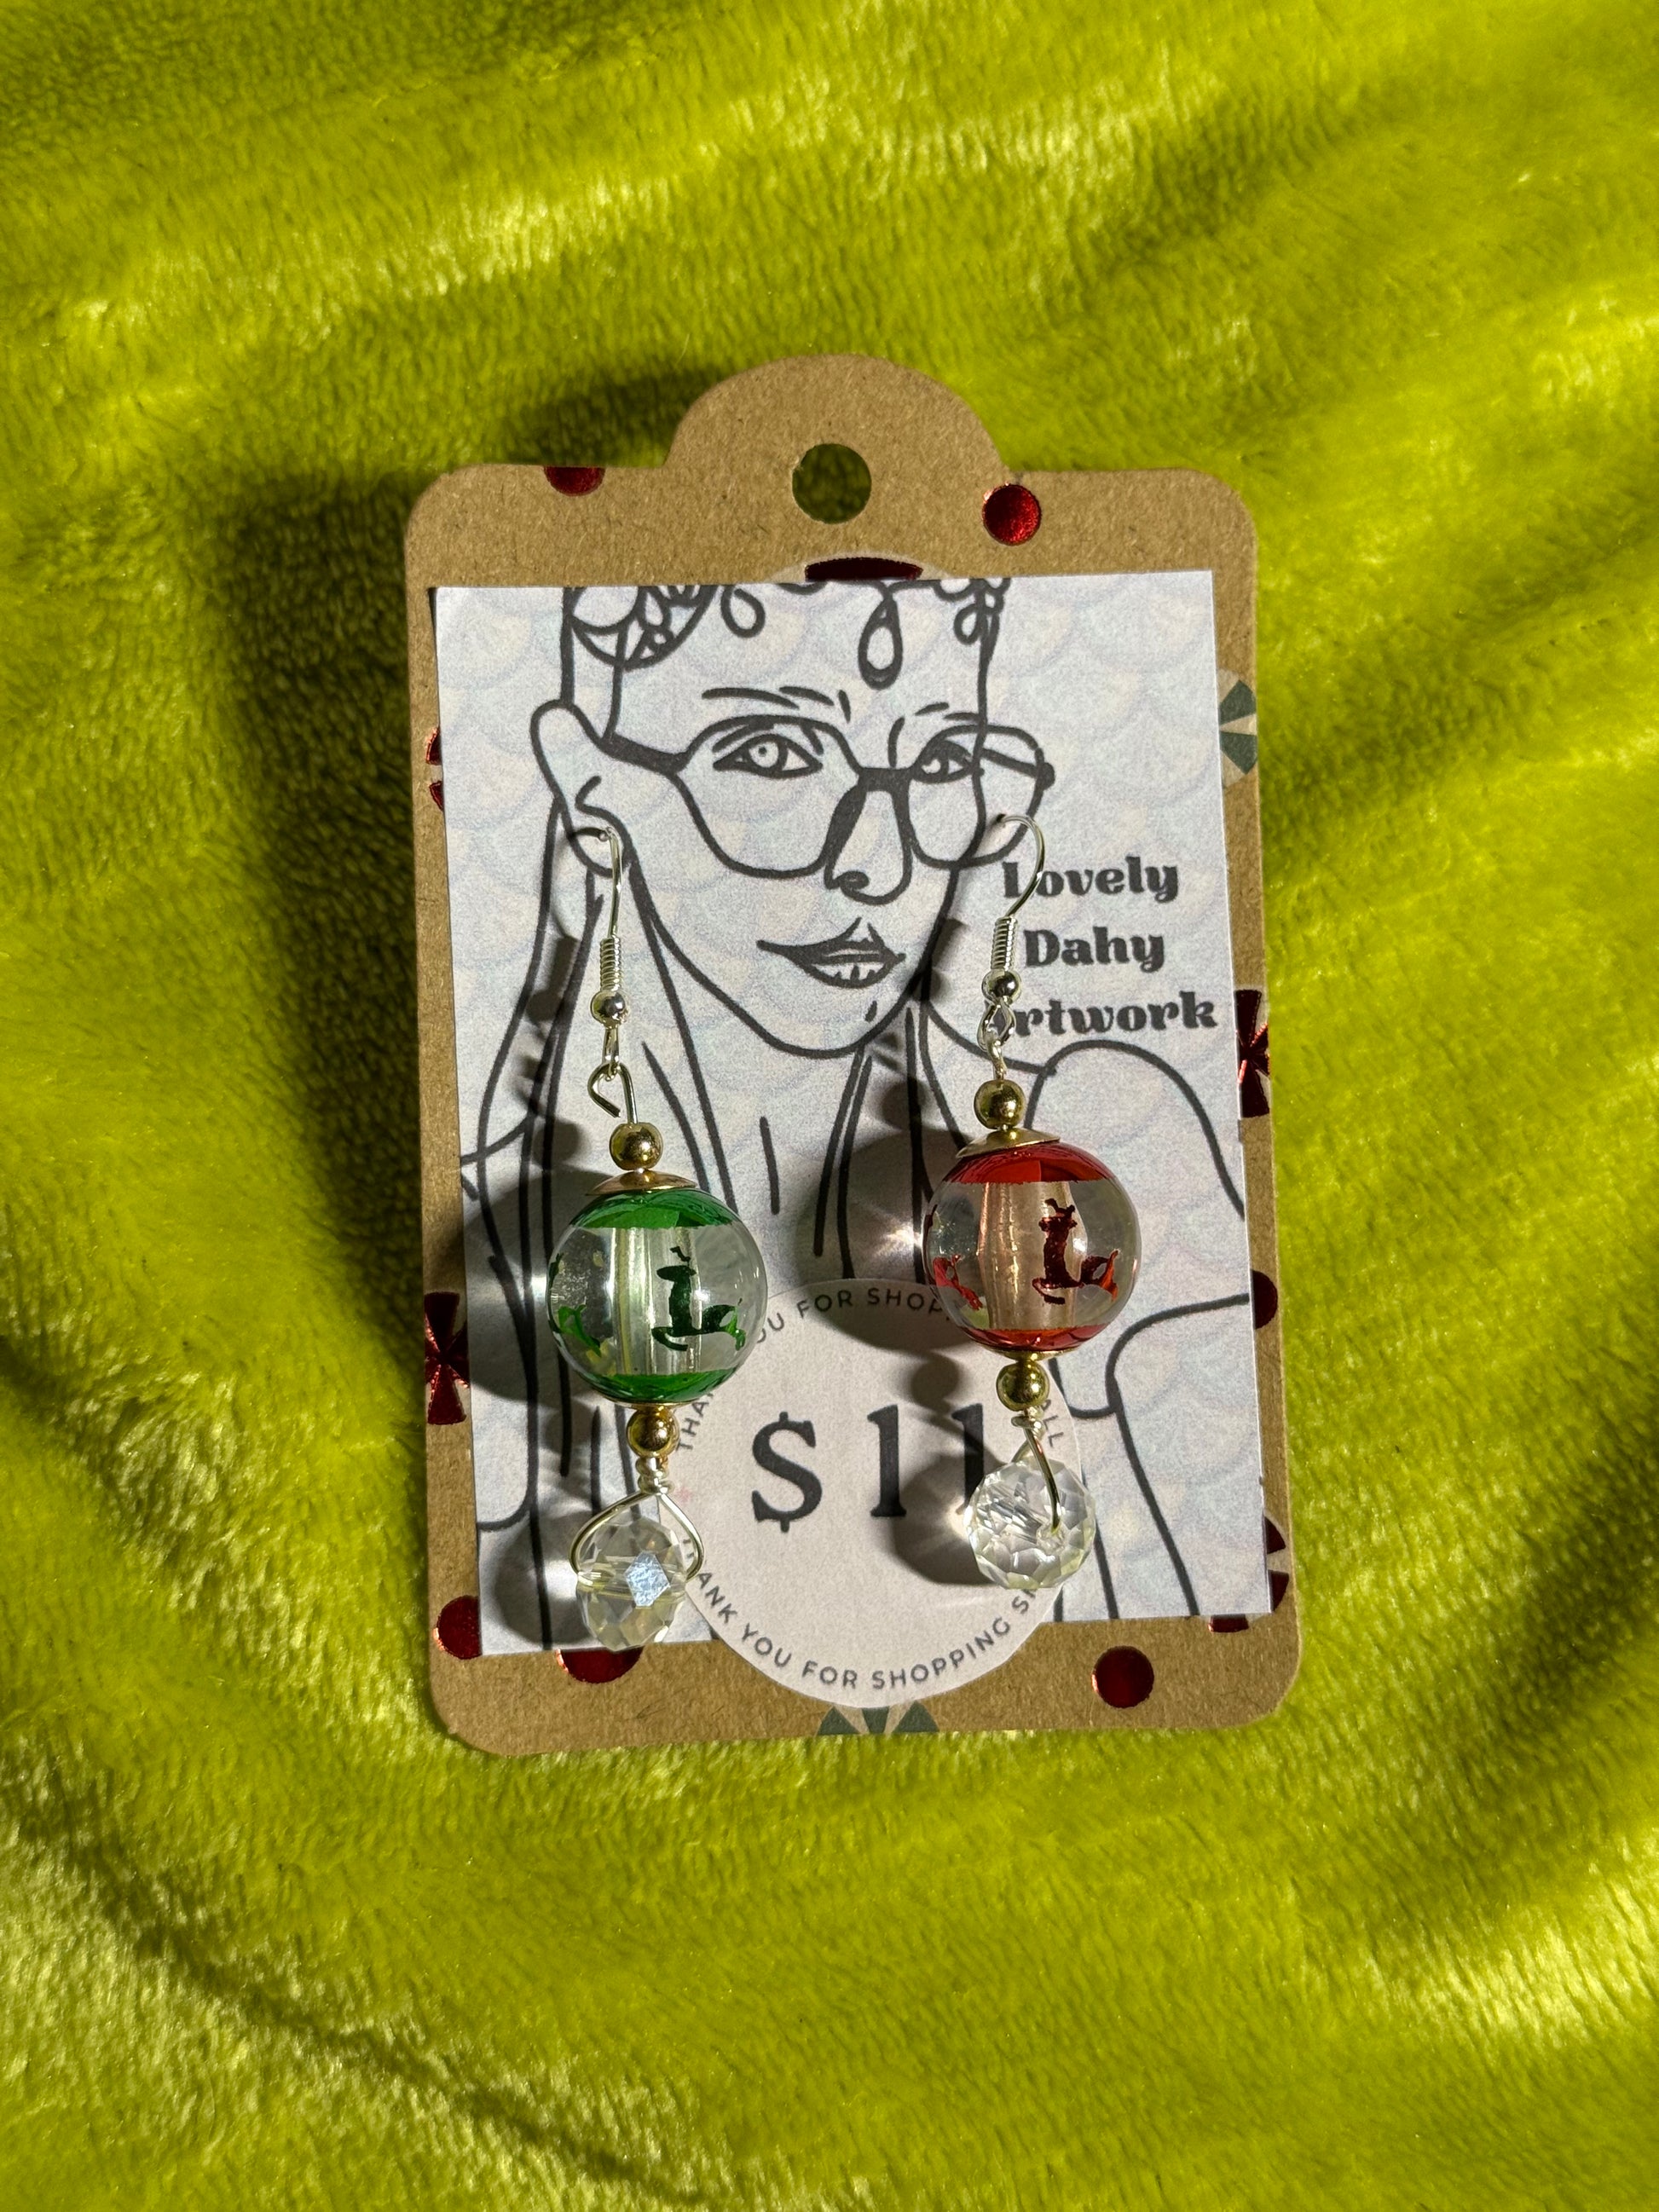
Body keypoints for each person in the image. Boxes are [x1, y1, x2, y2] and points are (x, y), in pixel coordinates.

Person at [454, 577, 1257, 1645]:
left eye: (941, 766)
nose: (875, 864)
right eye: (770, 756)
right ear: (590, 784)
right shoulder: (549, 1198)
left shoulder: (1091, 1149)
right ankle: (640, 1571)